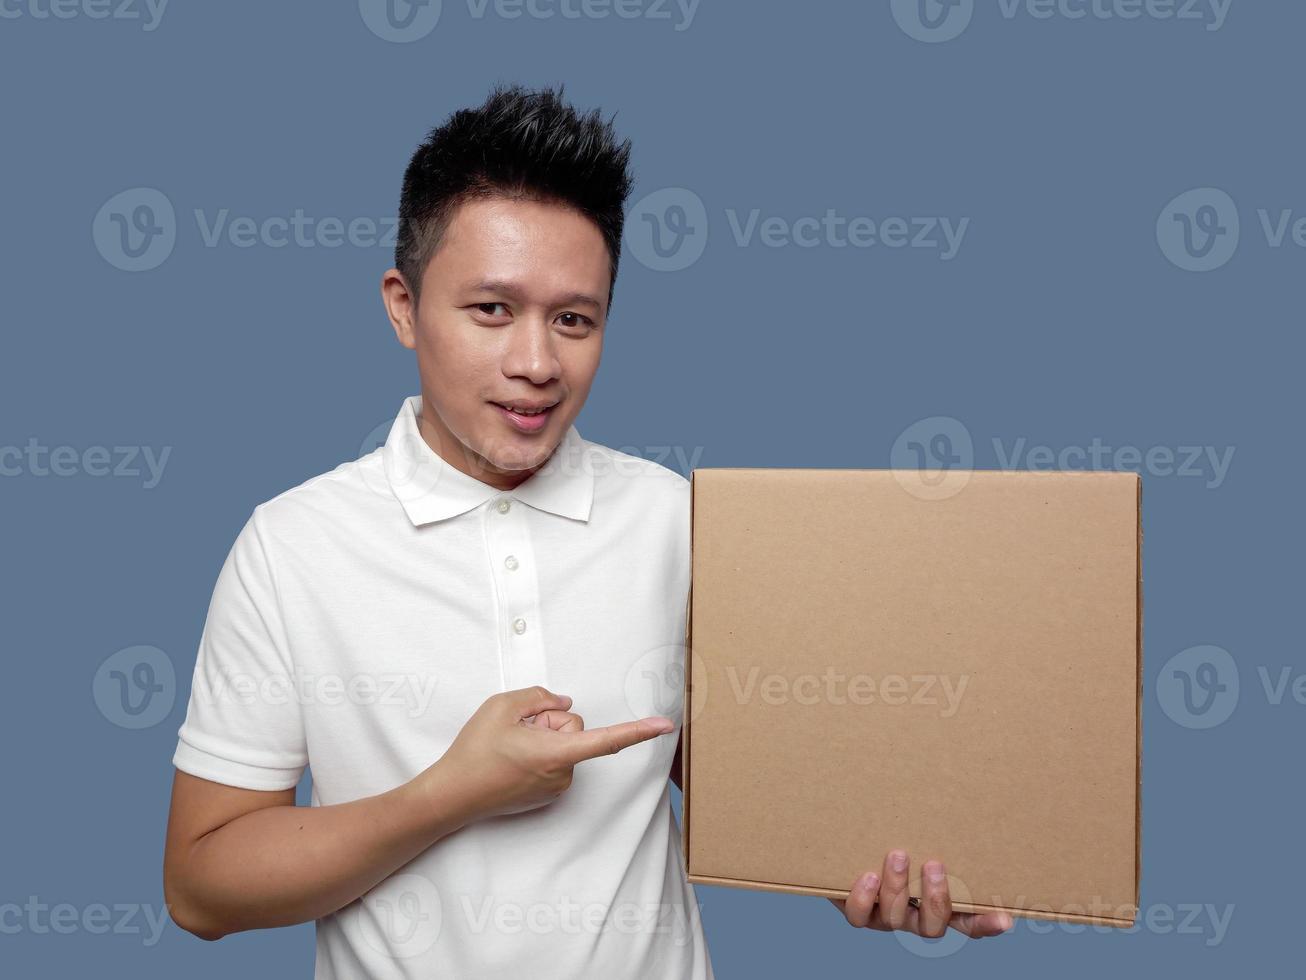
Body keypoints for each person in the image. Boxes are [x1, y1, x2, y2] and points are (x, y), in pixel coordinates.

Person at [162, 82, 1012, 979]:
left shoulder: (676, 522)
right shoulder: (292, 545)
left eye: (573, 319)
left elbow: (781, 799)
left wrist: (890, 872)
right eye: (491, 310)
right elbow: (200, 889)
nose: (535, 364)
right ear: (402, 306)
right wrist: (448, 794)